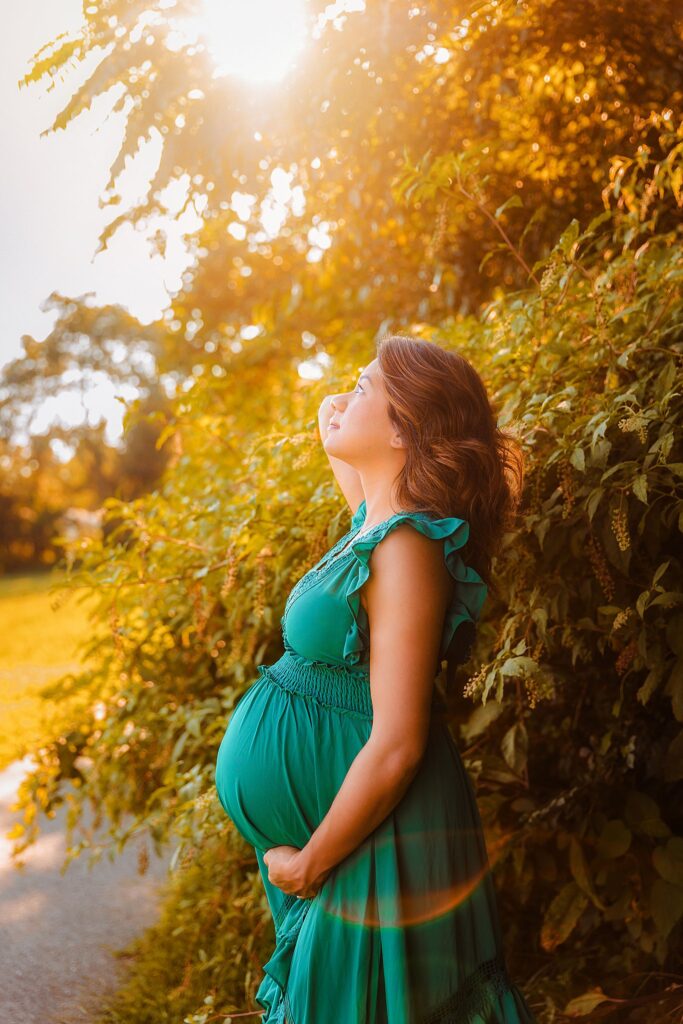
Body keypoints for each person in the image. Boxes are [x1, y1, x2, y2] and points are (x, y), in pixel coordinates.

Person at [214, 334, 536, 1023]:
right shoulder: (377, 524)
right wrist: (342, 415)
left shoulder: (407, 547)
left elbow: (397, 741)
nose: (344, 396)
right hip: (353, 830)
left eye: (365, 387)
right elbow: (350, 462)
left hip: (376, 834)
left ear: (403, 429)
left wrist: (310, 863)